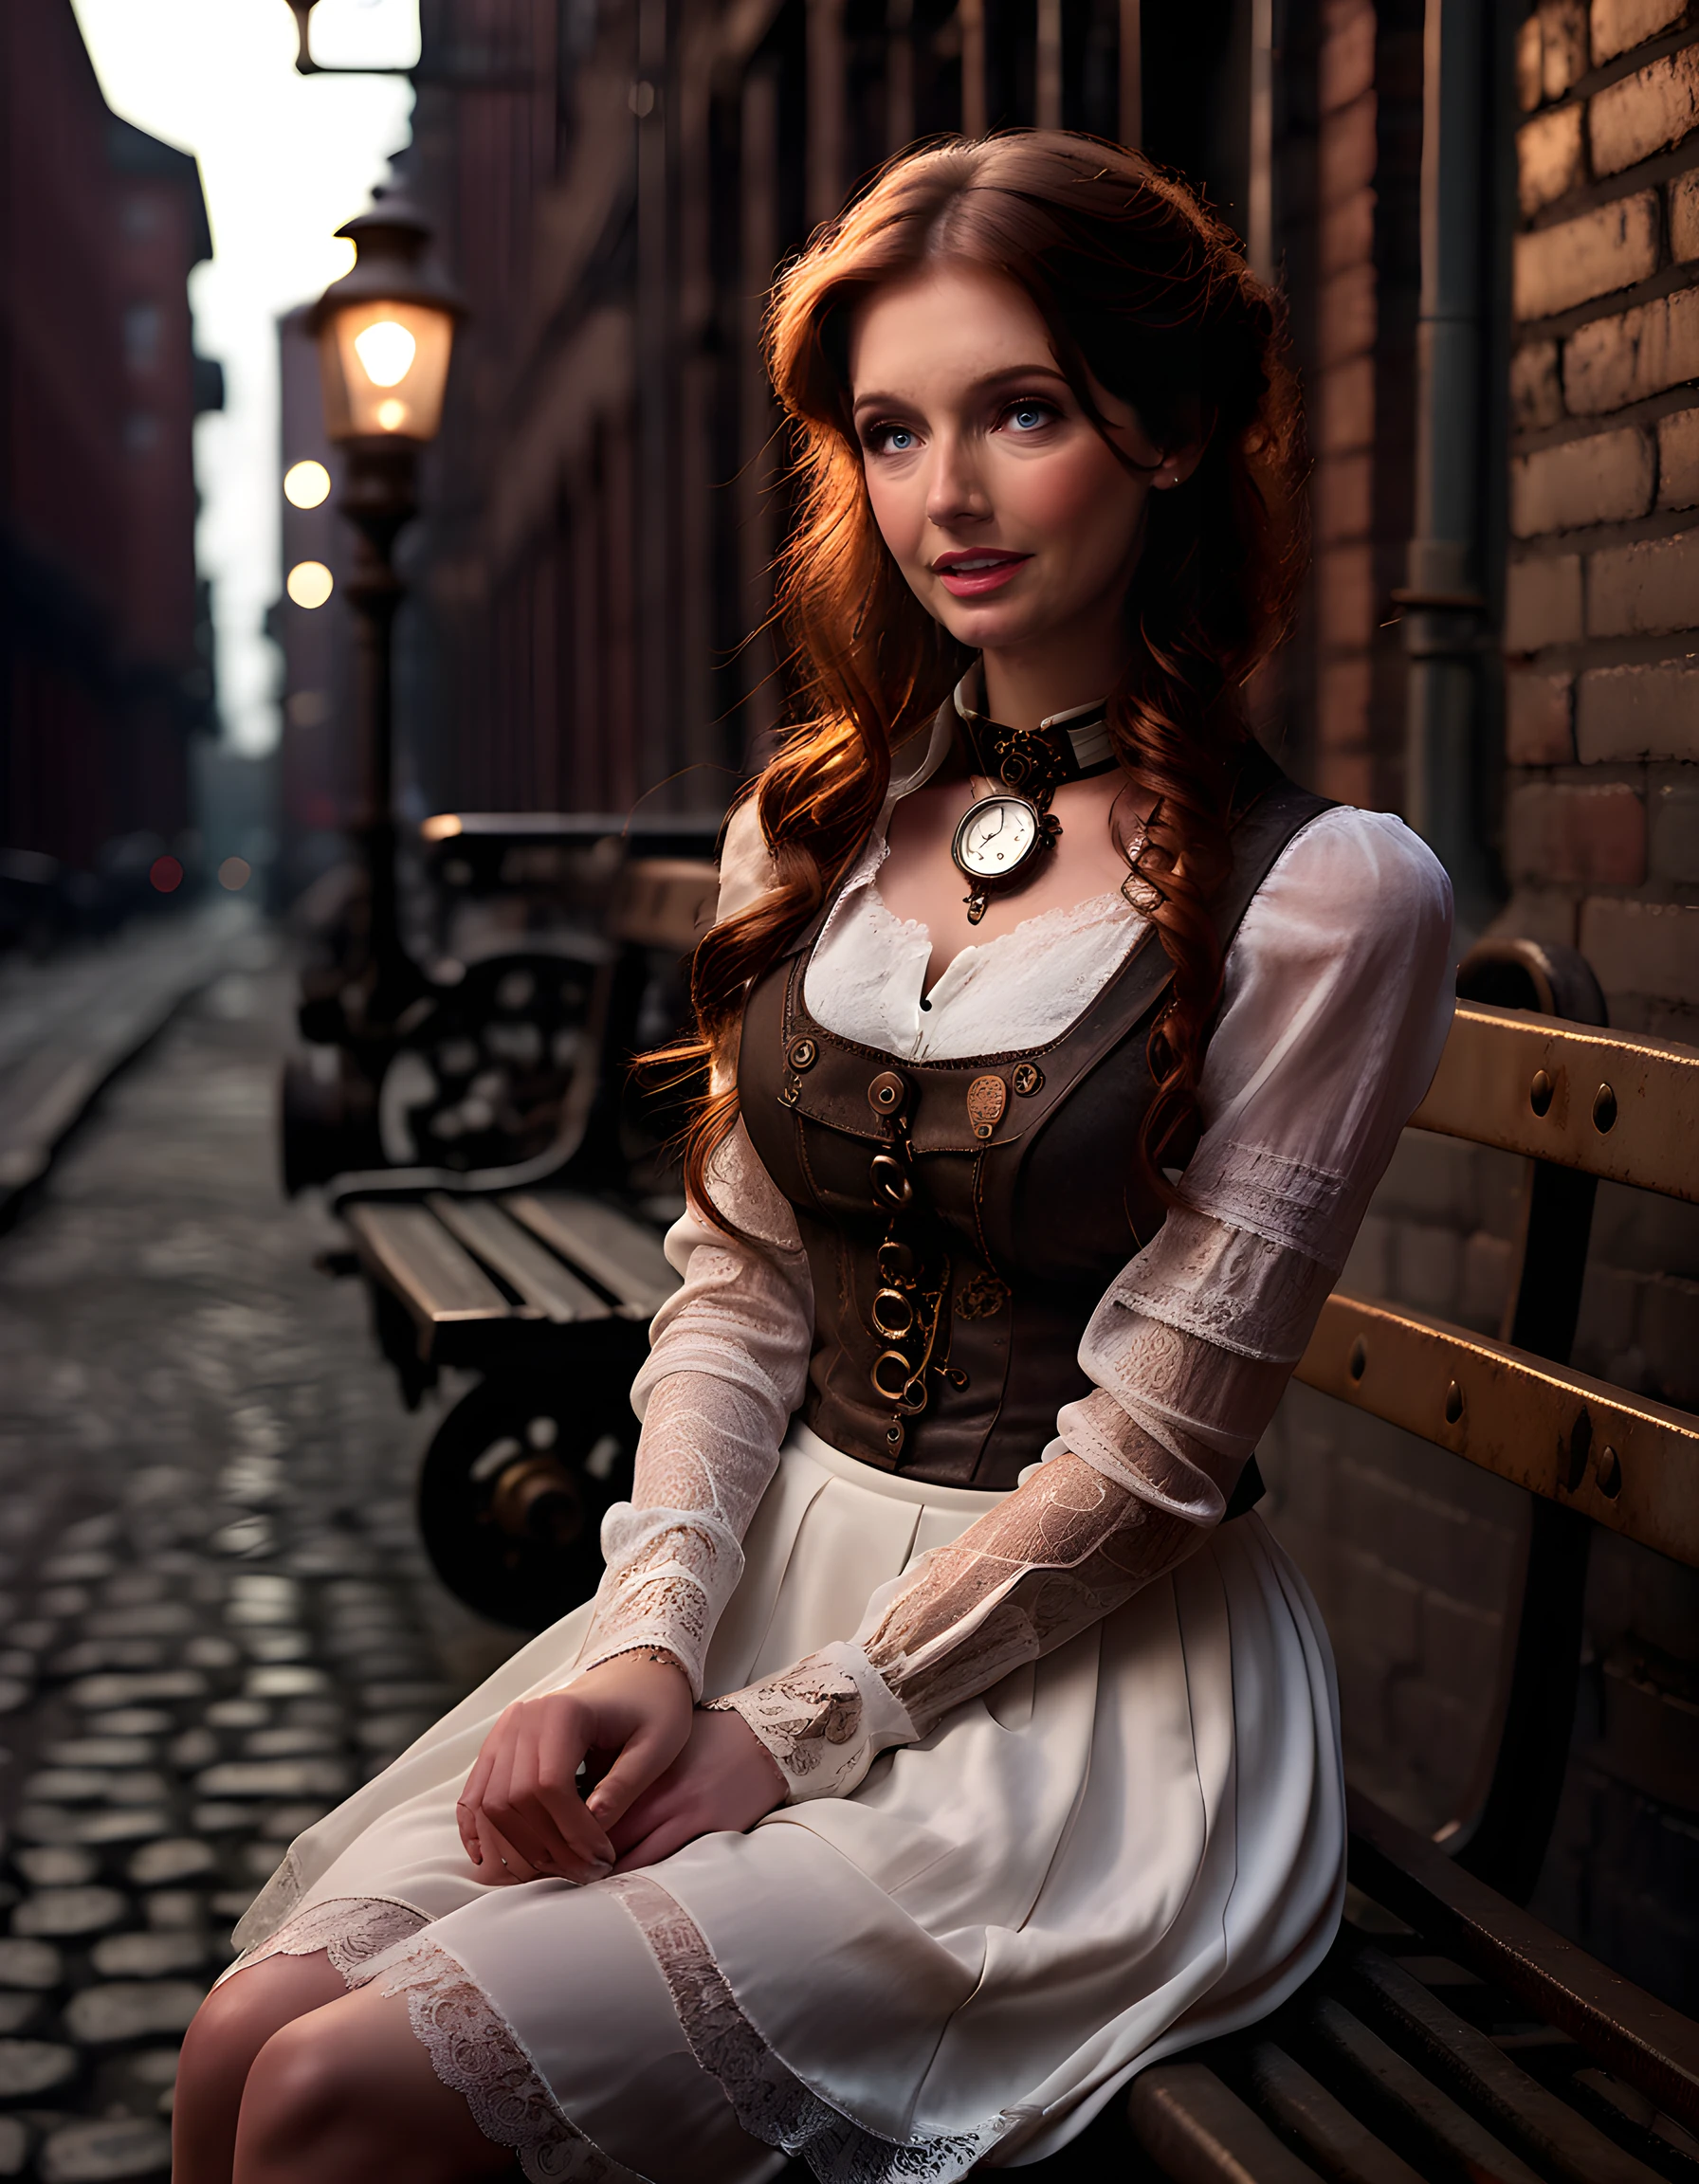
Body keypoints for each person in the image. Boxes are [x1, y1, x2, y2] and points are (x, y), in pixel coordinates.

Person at [174, 133, 1452, 2184]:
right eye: (888, 428)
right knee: (245, 2032)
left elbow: (1151, 1462)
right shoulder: (817, 830)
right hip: (764, 1588)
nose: (941, 494)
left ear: (1173, 430)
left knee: (337, 2100)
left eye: (1018, 411)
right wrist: (656, 1637)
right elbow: (740, 1291)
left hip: (1076, 1702)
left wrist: (789, 1729)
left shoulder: (1320, 901)